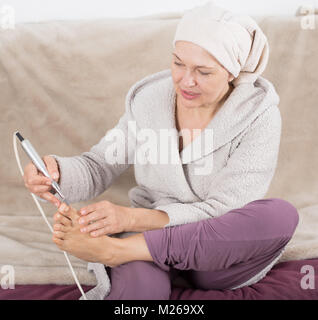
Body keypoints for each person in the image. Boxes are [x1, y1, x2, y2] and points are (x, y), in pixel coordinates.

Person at [23, 2, 299, 300]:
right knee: (143, 293)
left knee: (281, 215)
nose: (185, 81)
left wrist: (128, 221)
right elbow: (100, 163)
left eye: (203, 72)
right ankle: (127, 252)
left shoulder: (258, 116)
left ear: (232, 72)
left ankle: (117, 252)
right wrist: (56, 172)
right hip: (146, 236)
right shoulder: (149, 100)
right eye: (178, 63)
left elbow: (222, 213)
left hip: (214, 257)